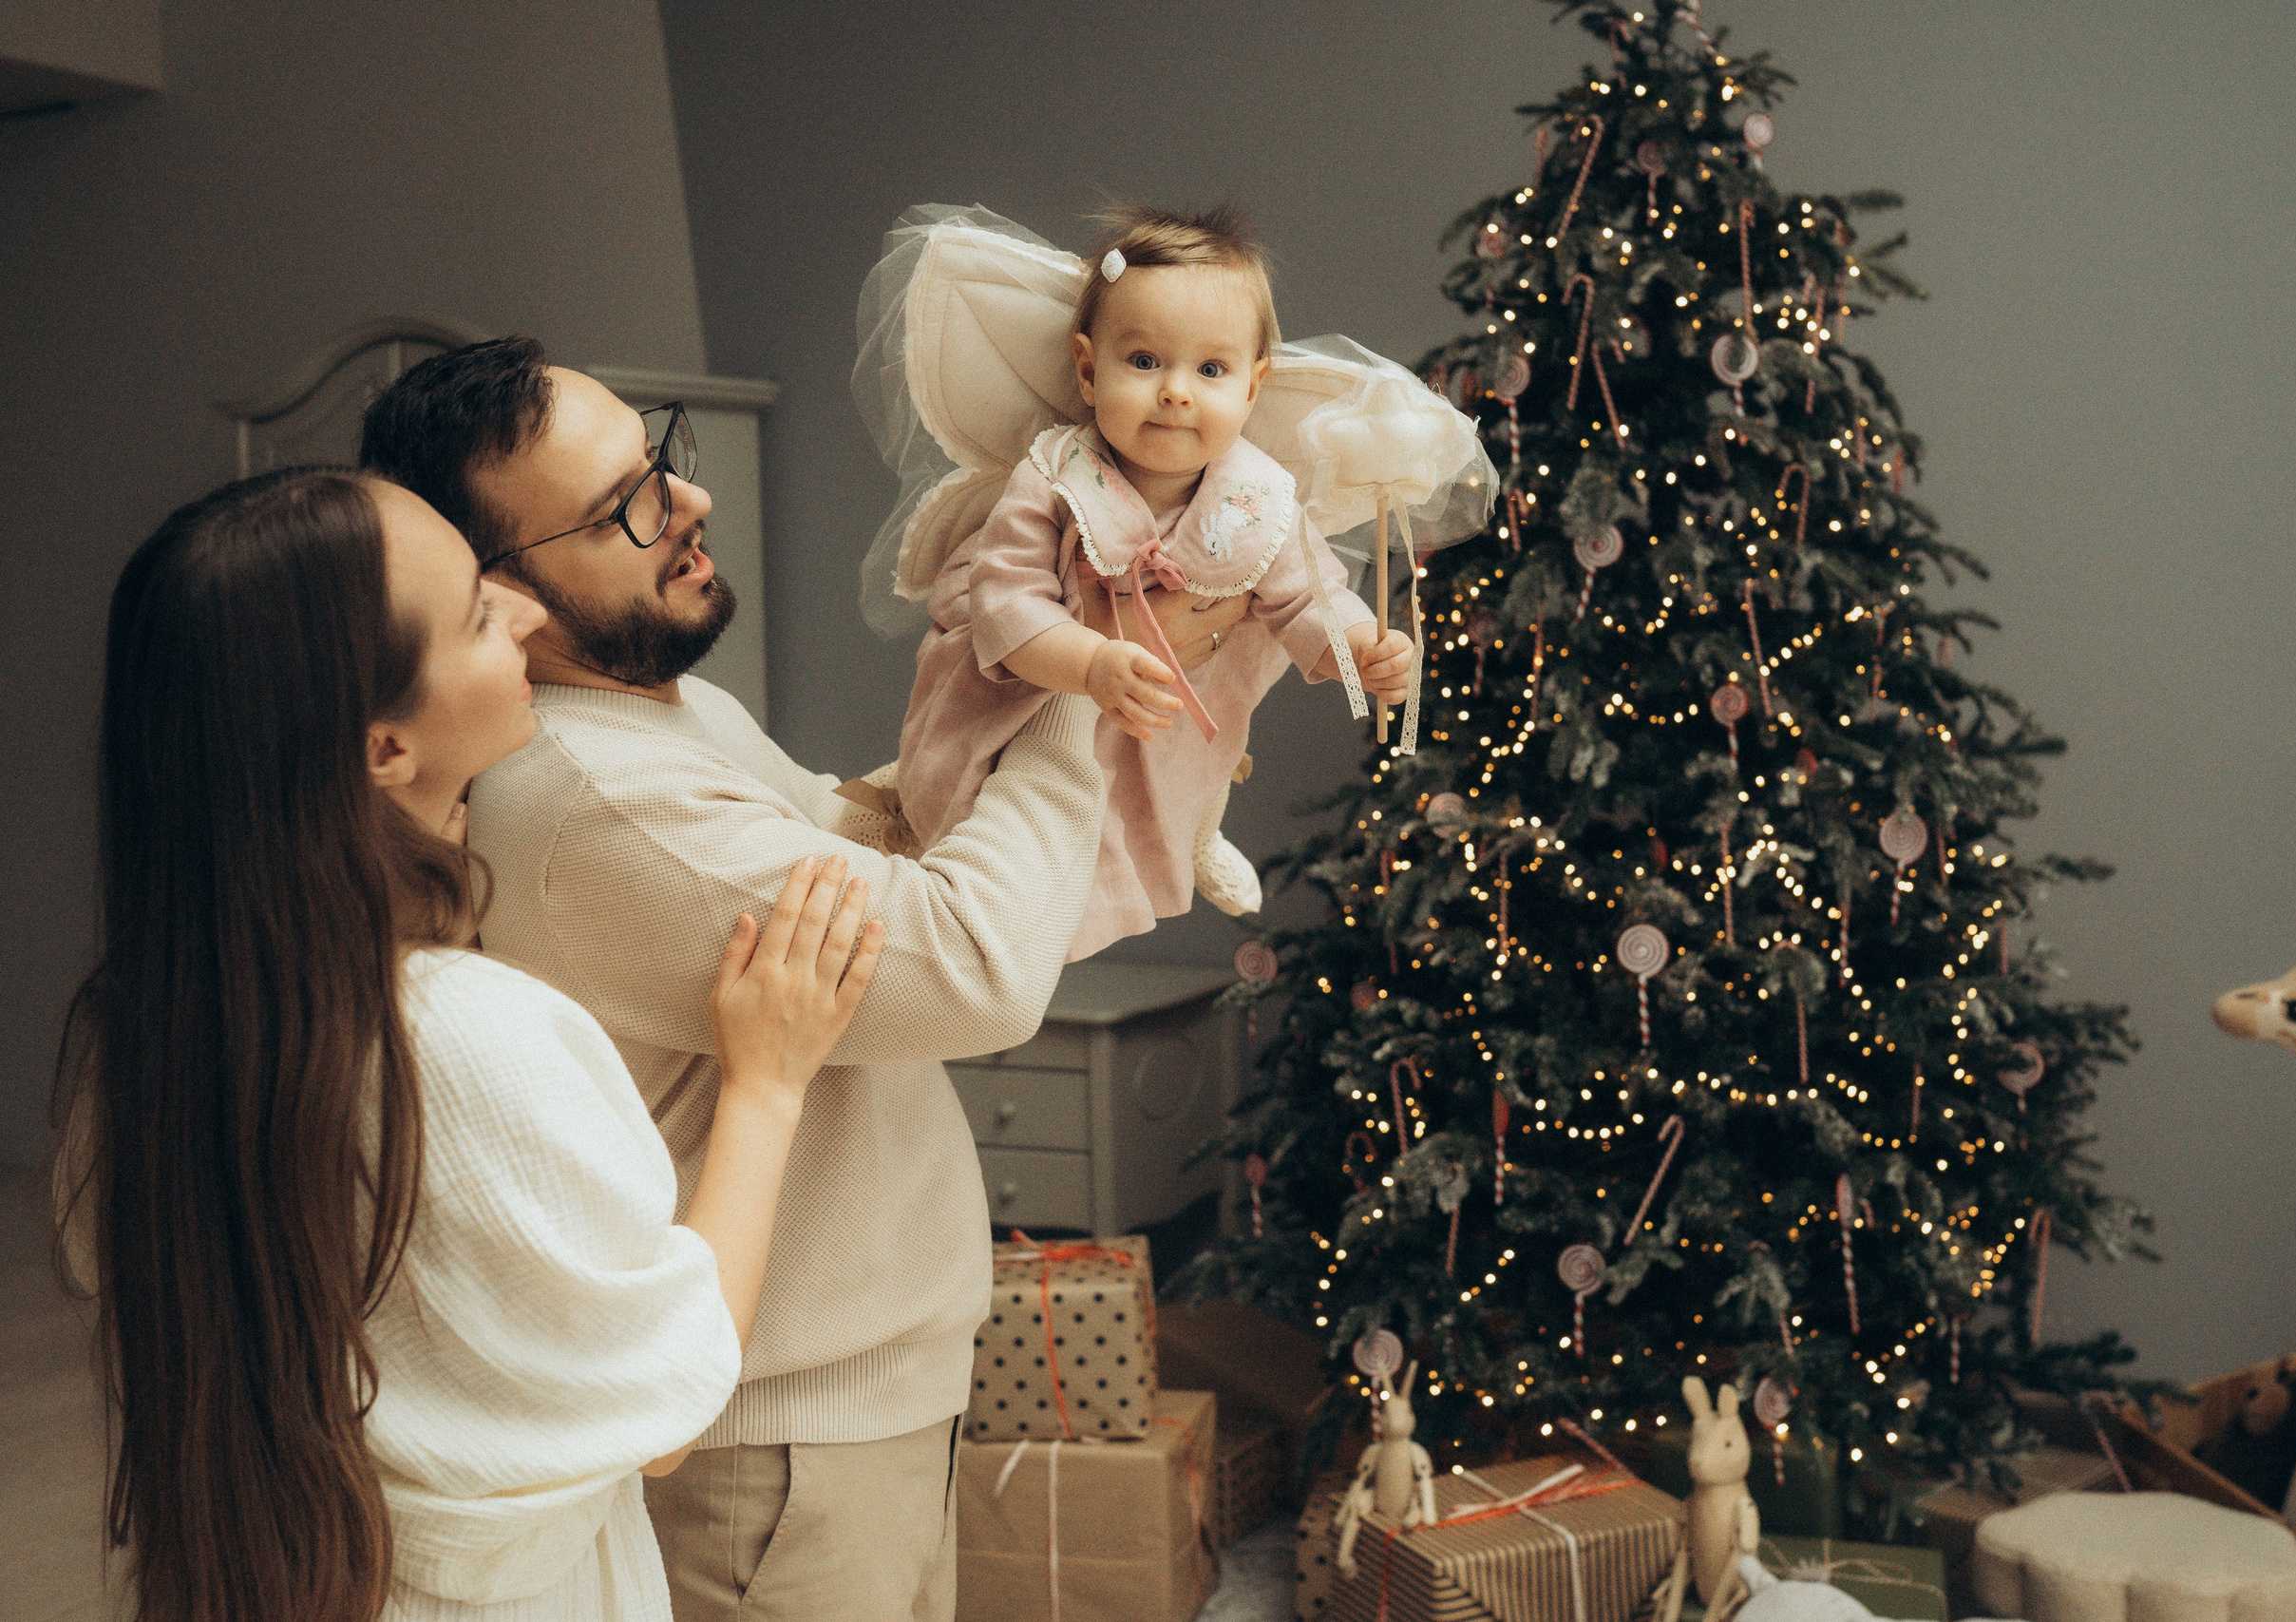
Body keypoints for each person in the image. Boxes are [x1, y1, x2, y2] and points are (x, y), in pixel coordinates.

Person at [358, 338, 1247, 1621]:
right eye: (624, 508)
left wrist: (1041, 687)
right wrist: (1074, 675)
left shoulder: (662, 709)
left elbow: (861, 836)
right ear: (502, 593)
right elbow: (975, 961)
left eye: (659, 458)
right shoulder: (597, 797)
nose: (689, 500)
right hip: (774, 1453)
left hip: (855, 1406)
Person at [55, 466, 878, 1622]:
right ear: (384, 749)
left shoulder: (136, 1033)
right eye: (481, 614)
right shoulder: (465, 1036)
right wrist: (766, 1084)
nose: (529, 612)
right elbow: (665, 1406)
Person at [889, 203, 1414, 960]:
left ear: (1253, 386)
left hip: (1170, 715)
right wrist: (1090, 663)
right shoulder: (1056, 476)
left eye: (1211, 370)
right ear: (1087, 368)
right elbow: (1006, 601)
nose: (1175, 391)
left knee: (1176, 779)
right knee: (1019, 837)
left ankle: (1198, 827)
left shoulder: (1258, 497)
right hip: (1039, 689)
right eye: (1143, 362)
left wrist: (1360, 647)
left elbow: (1312, 597)